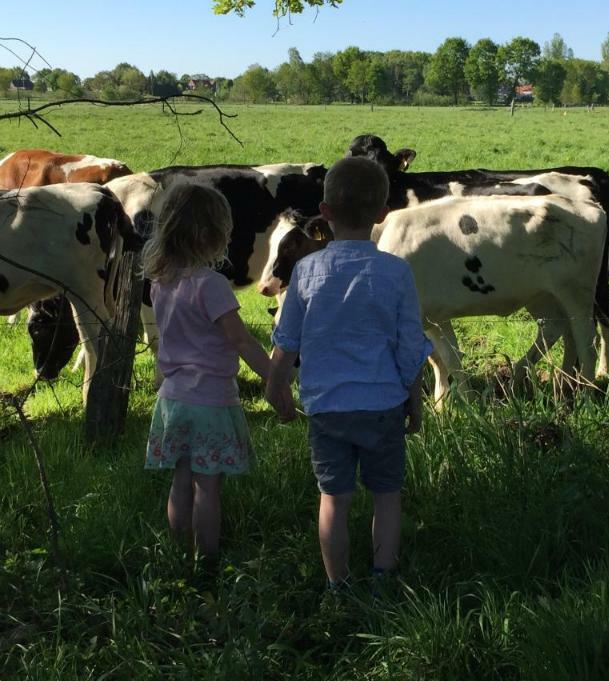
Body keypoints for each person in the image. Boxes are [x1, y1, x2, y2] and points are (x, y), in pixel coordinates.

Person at [265, 156, 432, 591]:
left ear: (325, 212)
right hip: (382, 406)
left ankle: (338, 585)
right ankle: (383, 579)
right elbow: (410, 345)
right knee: (387, 496)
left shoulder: (306, 271)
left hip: (327, 408)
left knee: (333, 499)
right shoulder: (397, 273)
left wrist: (275, 384)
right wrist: (414, 398)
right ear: (382, 214)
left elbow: (288, 341)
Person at [142, 182, 270, 562]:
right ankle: (207, 561)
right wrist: (273, 375)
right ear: (209, 235)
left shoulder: (161, 282)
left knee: (181, 481)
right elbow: (241, 340)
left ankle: (178, 552)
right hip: (210, 401)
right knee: (208, 488)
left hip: (172, 398)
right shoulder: (211, 285)